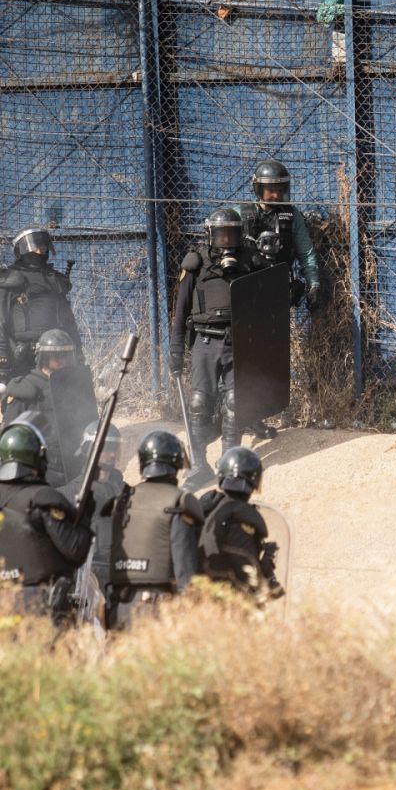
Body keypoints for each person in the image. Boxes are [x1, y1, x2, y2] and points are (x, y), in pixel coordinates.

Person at [171, 206, 261, 472]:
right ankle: (198, 465)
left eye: (231, 235)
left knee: (234, 403)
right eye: (221, 235)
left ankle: (229, 461)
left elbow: (265, 302)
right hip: (206, 341)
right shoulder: (195, 264)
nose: (225, 241)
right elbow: (180, 310)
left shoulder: (249, 261)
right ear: (209, 234)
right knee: (200, 403)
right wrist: (176, 347)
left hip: (238, 342)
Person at [0, 422, 94, 626]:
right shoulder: (43, 497)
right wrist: (82, 517)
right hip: (41, 606)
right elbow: (76, 549)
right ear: (37, 458)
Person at [108, 431, 202, 630]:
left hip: (119, 605)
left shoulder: (123, 500)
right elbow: (184, 565)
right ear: (176, 463)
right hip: (157, 608)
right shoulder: (178, 500)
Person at [0, 227, 86, 383]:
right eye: (35, 246)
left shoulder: (54, 280)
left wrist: (77, 351)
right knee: (21, 400)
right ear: (22, 249)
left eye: (43, 246)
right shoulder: (8, 278)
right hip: (21, 356)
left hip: (57, 354)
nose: (40, 250)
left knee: (62, 402)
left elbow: (68, 321)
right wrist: (0, 354)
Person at [0, 329, 98, 486]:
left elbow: (89, 422)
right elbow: (8, 437)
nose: (63, 361)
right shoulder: (27, 388)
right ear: (44, 358)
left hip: (74, 461)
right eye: (57, 357)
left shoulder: (75, 385)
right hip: (42, 467)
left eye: (66, 356)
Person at [198, 446, 285, 600]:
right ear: (255, 480)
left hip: (199, 593)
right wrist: (265, 567)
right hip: (227, 602)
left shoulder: (206, 509)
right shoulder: (240, 518)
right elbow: (244, 570)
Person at [238, 159, 321, 307]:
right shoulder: (240, 214)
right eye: (271, 190)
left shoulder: (291, 216)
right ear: (259, 188)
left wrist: (313, 285)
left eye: (280, 189)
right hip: (244, 285)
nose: (276, 195)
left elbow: (306, 253)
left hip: (278, 289)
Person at [59, 422, 126, 593]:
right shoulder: (69, 494)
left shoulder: (128, 493)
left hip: (123, 574)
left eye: (114, 447)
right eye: (106, 447)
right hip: (86, 579)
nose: (112, 454)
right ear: (89, 448)